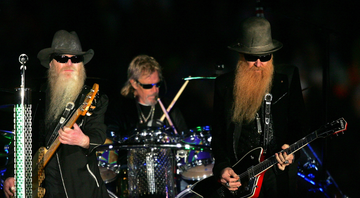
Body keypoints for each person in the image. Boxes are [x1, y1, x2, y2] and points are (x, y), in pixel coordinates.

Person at [3, 30, 110, 198]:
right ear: (51, 64)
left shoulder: (93, 98)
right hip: (44, 190)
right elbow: (20, 139)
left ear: (81, 65)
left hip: (81, 189)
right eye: (62, 58)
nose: (69, 63)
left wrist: (83, 140)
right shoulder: (38, 98)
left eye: (75, 59)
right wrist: (11, 173)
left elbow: (99, 133)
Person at [211, 17, 309, 197]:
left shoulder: (287, 77)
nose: (258, 63)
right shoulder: (224, 85)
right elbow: (218, 135)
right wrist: (222, 167)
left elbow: (299, 122)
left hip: (278, 171)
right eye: (251, 57)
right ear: (241, 55)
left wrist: (290, 148)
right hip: (241, 176)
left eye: (264, 57)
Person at [105, 54, 188, 197]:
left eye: (158, 84)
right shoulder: (121, 108)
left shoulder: (169, 107)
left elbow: (184, 139)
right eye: (148, 86)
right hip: (131, 177)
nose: (155, 90)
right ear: (134, 83)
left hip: (167, 176)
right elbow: (111, 140)